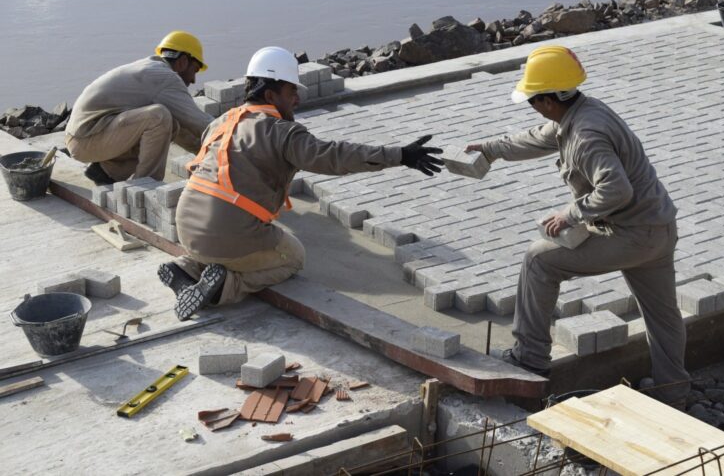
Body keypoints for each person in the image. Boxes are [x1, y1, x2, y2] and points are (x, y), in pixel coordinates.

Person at [468, 45, 690, 405]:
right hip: (659, 227)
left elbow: (616, 189)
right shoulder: (584, 111)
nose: (532, 107)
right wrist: (491, 149)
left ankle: (529, 360)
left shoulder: (586, 136)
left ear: (548, 100)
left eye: (532, 100)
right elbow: (539, 137)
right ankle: (673, 393)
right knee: (662, 317)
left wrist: (570, 215)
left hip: (632, 236)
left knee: (539, 261)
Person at [158, 46, 444, 321]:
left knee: (223, 244)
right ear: (270, 94)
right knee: (293, 255)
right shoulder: (282, 132)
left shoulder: (220, 121)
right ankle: (225, 288)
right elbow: (334, 155)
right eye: (291, 91)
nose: (296, 99)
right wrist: (400, 155)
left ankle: (185, 269)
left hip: (186, 226)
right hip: (228, 233)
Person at [65, 31, 214, 184]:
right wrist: (229, 135)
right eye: (194, 70)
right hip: (86, 140)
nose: (194, 79)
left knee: (171, 123)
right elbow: (201, 123)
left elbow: (184, 127)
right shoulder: (165, 78)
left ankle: (106, 171)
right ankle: (147, 188)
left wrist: (206, 153)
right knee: (159, 116)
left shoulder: (150, 68)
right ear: (183, 62)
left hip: (86, 136)